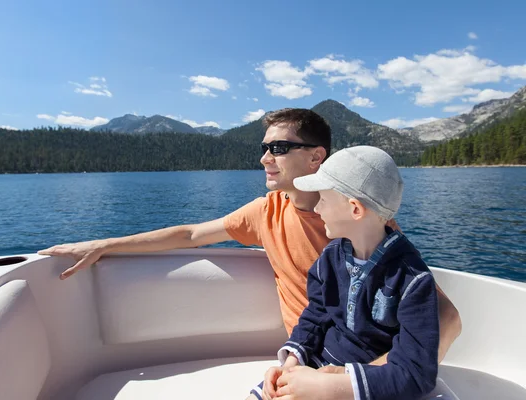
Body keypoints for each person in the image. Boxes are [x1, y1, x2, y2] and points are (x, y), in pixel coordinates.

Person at [38, 108, 461, 367]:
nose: (264, 158)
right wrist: (103, 245)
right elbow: (189, 234)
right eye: (264, 147)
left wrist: (372, 379)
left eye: (278, 148)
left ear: (317, 156)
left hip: (362, 367)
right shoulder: (265, 212)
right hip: (306, 354)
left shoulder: (363, 223)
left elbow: (447, 319)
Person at [251, 146, 438, 400]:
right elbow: (316, 315)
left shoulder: (412, 280)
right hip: (317, 366)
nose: (317, 209)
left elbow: (416, 374)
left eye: (323, 200)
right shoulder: (331, 257)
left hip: (368, 387)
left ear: (355, 209)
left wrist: (329, 388)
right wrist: (293, 361)